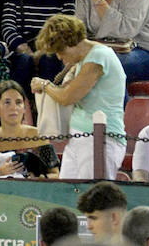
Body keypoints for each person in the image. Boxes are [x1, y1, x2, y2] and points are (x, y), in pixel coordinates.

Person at [30, 14, 126, 179]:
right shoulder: (83, 60)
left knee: (93, 198)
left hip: (101, 139)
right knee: (68, 196)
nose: (59, 57)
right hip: (79, 138)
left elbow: (68, 97)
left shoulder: (99, 57)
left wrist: (45, 85)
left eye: (60, 51)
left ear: (71, 42)